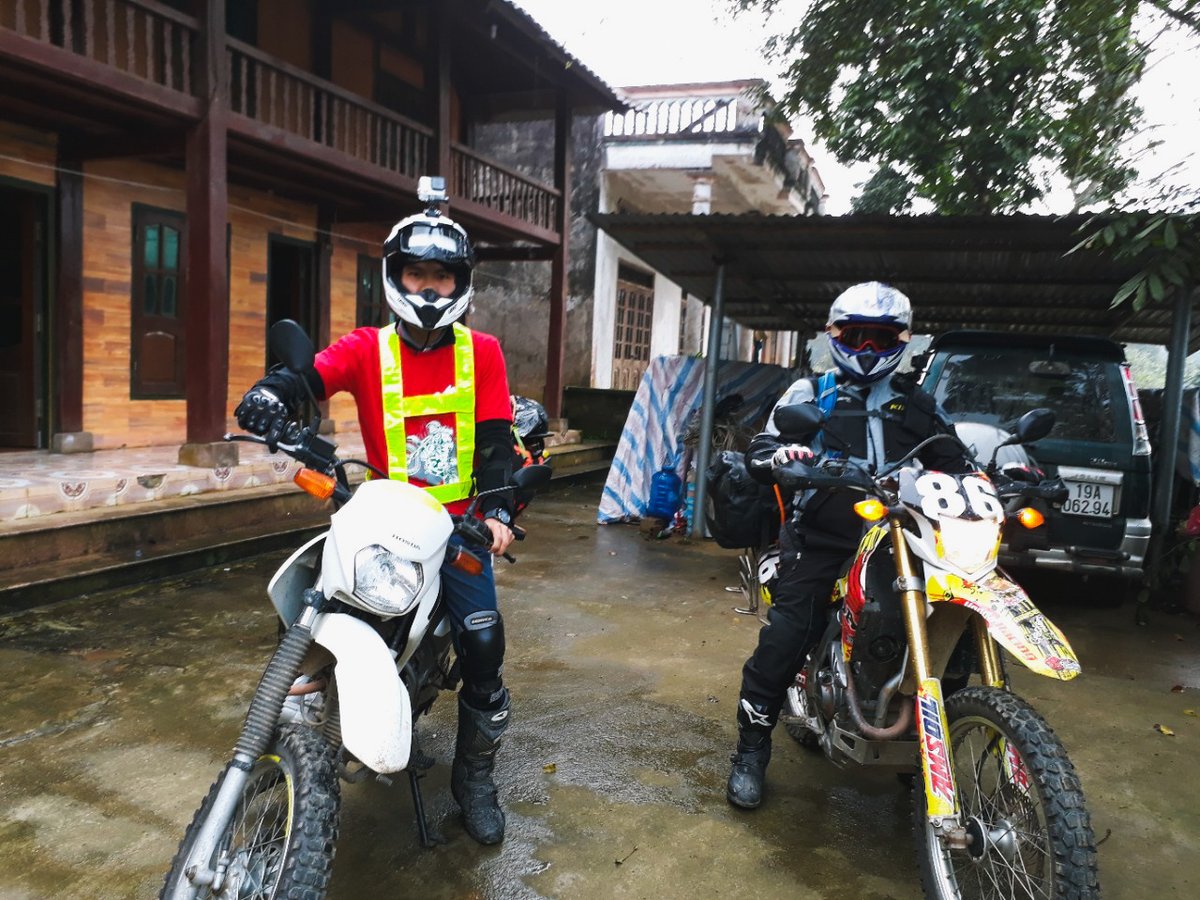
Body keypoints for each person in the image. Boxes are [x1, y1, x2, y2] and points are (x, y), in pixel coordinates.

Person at [235, 184, 518, 845]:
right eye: (417, 272)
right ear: (395, 277)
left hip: (455, 526)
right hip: (378, 514)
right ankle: (290, 743)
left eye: (440, 273)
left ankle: (474, 779)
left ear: (459, 281)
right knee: (304, 608)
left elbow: (499, 439)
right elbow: (307, 378)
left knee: (482, 640)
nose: (428, 284)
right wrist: (269, 395)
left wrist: (499, 507)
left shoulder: (486, 353)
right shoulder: (367, 347)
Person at [726, 281, 966, 809]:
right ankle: (751, 749)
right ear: (835, 336)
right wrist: (784, 458)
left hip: (904, 539)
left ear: (901, 341)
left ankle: (928, 741)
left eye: (881, 339)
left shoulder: (917, 403)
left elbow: (956, 460)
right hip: (824, 540)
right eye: (856, 336)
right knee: (786, 638)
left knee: (950, 626)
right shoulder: (809, 395)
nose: (867, 349)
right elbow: (762, 450)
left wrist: (1000, 475)